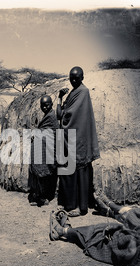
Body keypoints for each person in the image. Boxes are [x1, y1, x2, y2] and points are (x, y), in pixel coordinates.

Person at [49, 163, 140, 266]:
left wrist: (107, 201)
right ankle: (105, 212)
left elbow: (133, 216)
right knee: (118, 226)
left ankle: (63, 231)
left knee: (99, 232)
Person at [56, 66, 100, 217]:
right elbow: (59, 114)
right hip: (70, 137)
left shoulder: (83, 92)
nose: (73, 80)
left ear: (82, 77)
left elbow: (69, 114)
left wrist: (64, 114)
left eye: (76, 77)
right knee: (69, 171)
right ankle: (70, 203)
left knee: (79, 171)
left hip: (79, 138)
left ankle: (81, 208)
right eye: (71, 77)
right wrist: (60, 98)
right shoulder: (72, 93)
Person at [28, 95, 59, 207]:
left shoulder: (52, 117)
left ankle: (43, 197)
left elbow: (54, 133)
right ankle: (39, 195)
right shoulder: (47, 116)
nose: (45, 107)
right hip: (42, 147)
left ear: (51, 104)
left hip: (48, 148)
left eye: (47, 105)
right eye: (43, 105)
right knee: (38, 168)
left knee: (43, 170)